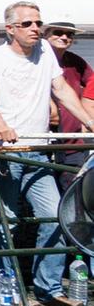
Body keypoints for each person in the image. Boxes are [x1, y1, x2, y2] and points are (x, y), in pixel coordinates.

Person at [0, 3, 94, 306]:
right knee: (5, 222)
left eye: (38, 22)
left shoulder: (44, 52)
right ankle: (3, 288)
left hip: (38, 150)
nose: (35, 28)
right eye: (27, 23)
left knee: (57, 216)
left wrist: (89, 120)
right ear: (11, 29)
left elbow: (63, 91)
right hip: (5, 152)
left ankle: (48, 288)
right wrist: (0, 124)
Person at [45, 20, 94, 191]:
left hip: (72, 141)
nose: (64, 37)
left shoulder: (75, 61)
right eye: (58, 32)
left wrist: (87, 113)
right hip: (42, 140)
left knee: (74, 191)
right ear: (46, 34)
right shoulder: (35, 59)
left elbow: (92, 82)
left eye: (70, 34)